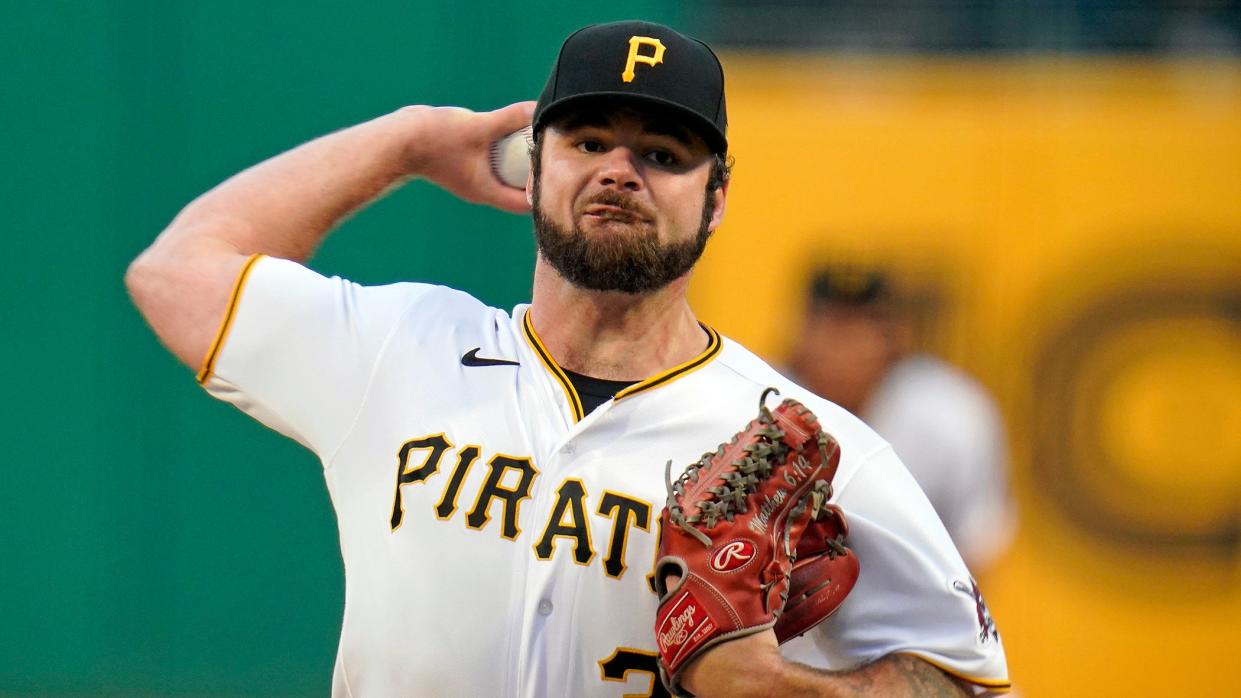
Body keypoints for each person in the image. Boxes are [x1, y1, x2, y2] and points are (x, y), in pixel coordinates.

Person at [127, 20, 1008, 697]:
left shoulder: (805, 445)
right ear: (530, 164)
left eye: (662, 154)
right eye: (588, 141)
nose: (620, 171)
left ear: (716, 199)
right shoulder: (396, 349)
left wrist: (773, 689)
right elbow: (175, 274)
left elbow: (965, 680)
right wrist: (407, 143)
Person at [789, 267, 1017, 573]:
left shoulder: (949, 413)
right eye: (830, 327)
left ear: (894, 339)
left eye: (859, 331)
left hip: (913, 606)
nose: (842, 350)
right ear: (801, 335)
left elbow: (976, 542)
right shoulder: (760, 404)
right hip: (784, 613)